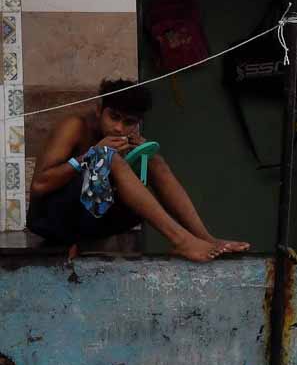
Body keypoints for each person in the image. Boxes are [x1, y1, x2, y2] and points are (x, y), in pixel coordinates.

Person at [27, 79, 249, 262]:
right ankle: (181, 240)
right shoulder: (75, 126)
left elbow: (112, 185)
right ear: (99, 110)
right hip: (52, 219)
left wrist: (139, 154)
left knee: (154, 160)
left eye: (128, 122)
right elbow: (39, 186)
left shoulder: (124, 137)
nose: (118, 128)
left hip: (90, 217)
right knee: (108, 157)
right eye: (113, 117)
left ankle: (206, 237)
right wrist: (92, 154)